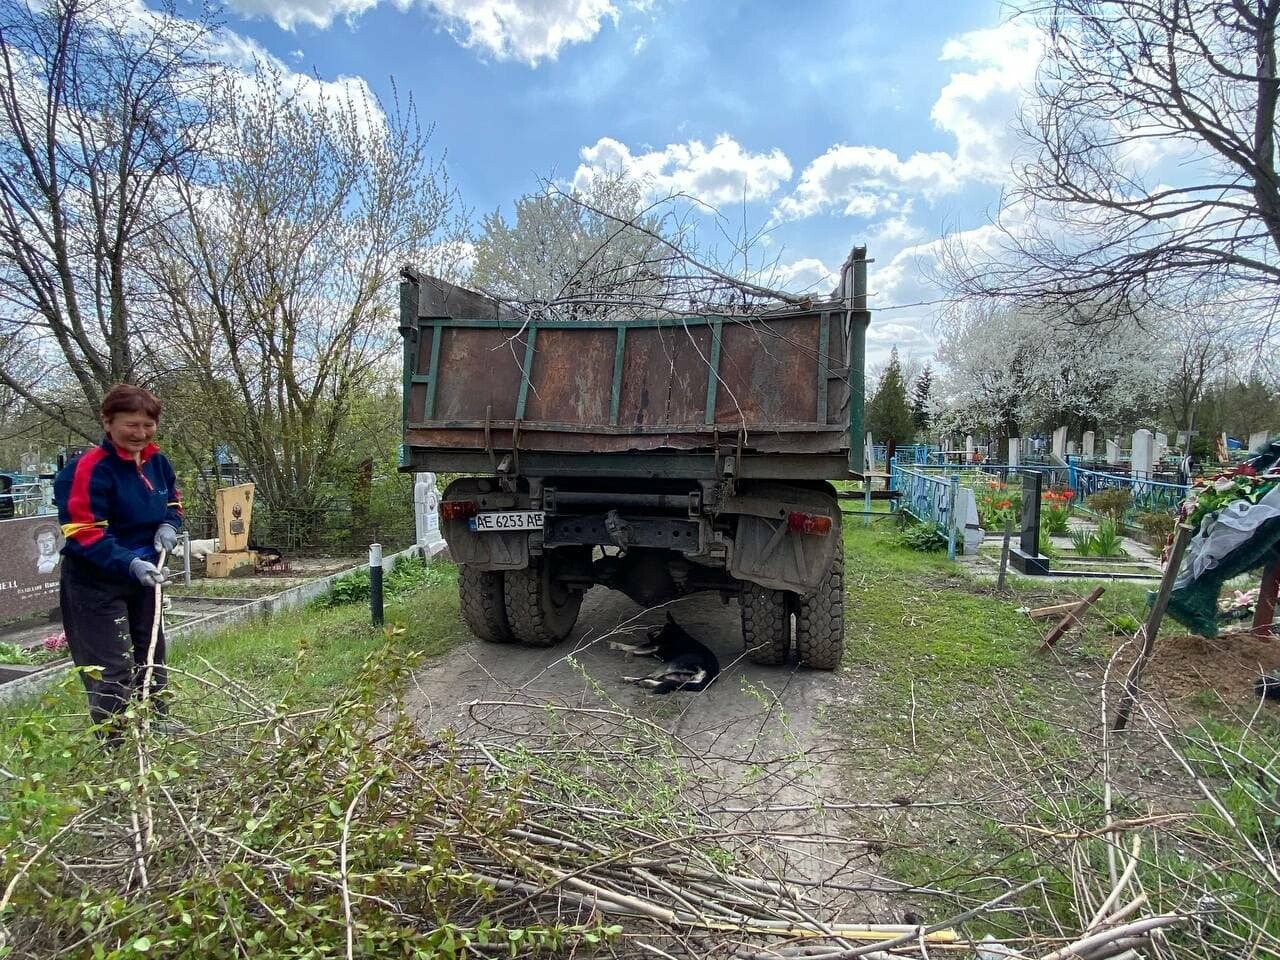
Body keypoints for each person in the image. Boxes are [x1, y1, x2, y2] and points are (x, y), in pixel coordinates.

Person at [54, 384, 183, 738]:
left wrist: (170, 525)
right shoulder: (87, 470)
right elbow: (83, 532)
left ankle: (156, 723)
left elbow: (172, 502)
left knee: (151, 655)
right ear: (107, 422)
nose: (140, 434)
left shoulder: (157, 462)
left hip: (147, 576)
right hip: (96, 580)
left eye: (148, 425)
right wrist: (130, 563)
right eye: (131, 425)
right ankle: (113, 742)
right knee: (110, 668)